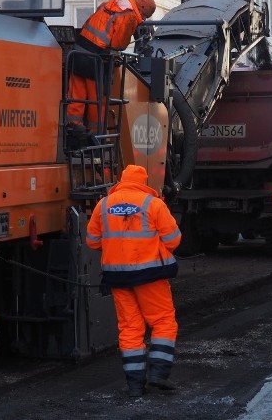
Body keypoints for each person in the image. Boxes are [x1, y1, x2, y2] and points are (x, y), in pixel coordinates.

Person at [86, 164, 181, 397]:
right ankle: (159, 373)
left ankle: (135, 385)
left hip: (117, 277)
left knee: (129, 328)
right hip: (150, 277)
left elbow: (92, 241)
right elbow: (174, 240)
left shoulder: (103, 205)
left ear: (121, 181)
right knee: (163, 321)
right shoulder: (153, 204)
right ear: (143, 182)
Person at [66, 0, 156, 134]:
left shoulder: (115, 3)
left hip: (78, 51)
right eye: (144, 16)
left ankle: (73, 127)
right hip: (95, 59)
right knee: (97, 100)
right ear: (142, 7)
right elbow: (118, 44)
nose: (143, 19)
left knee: (76, 94)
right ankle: (96, 137)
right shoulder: (129, 15)